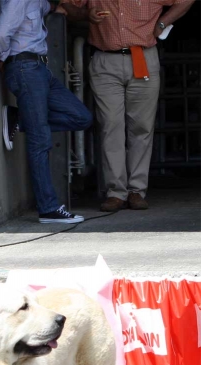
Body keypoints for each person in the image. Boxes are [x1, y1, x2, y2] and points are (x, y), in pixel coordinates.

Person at [63, 0, 195, 212]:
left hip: (142, 56)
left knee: (141, 127)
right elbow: (67, 5)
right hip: (105, 59)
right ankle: (115, 192)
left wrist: (162, 24)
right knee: (110, 125)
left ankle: (136, 191)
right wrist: (86, 14)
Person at [0, 0, 93, 224]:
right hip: (24, 67)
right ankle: (48, 209)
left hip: (40, 69)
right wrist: (3, 58)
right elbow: (1, 34)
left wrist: (60, 8)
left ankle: (19, 119)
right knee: (41, 141)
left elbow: (55, 7)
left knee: (81, 117)